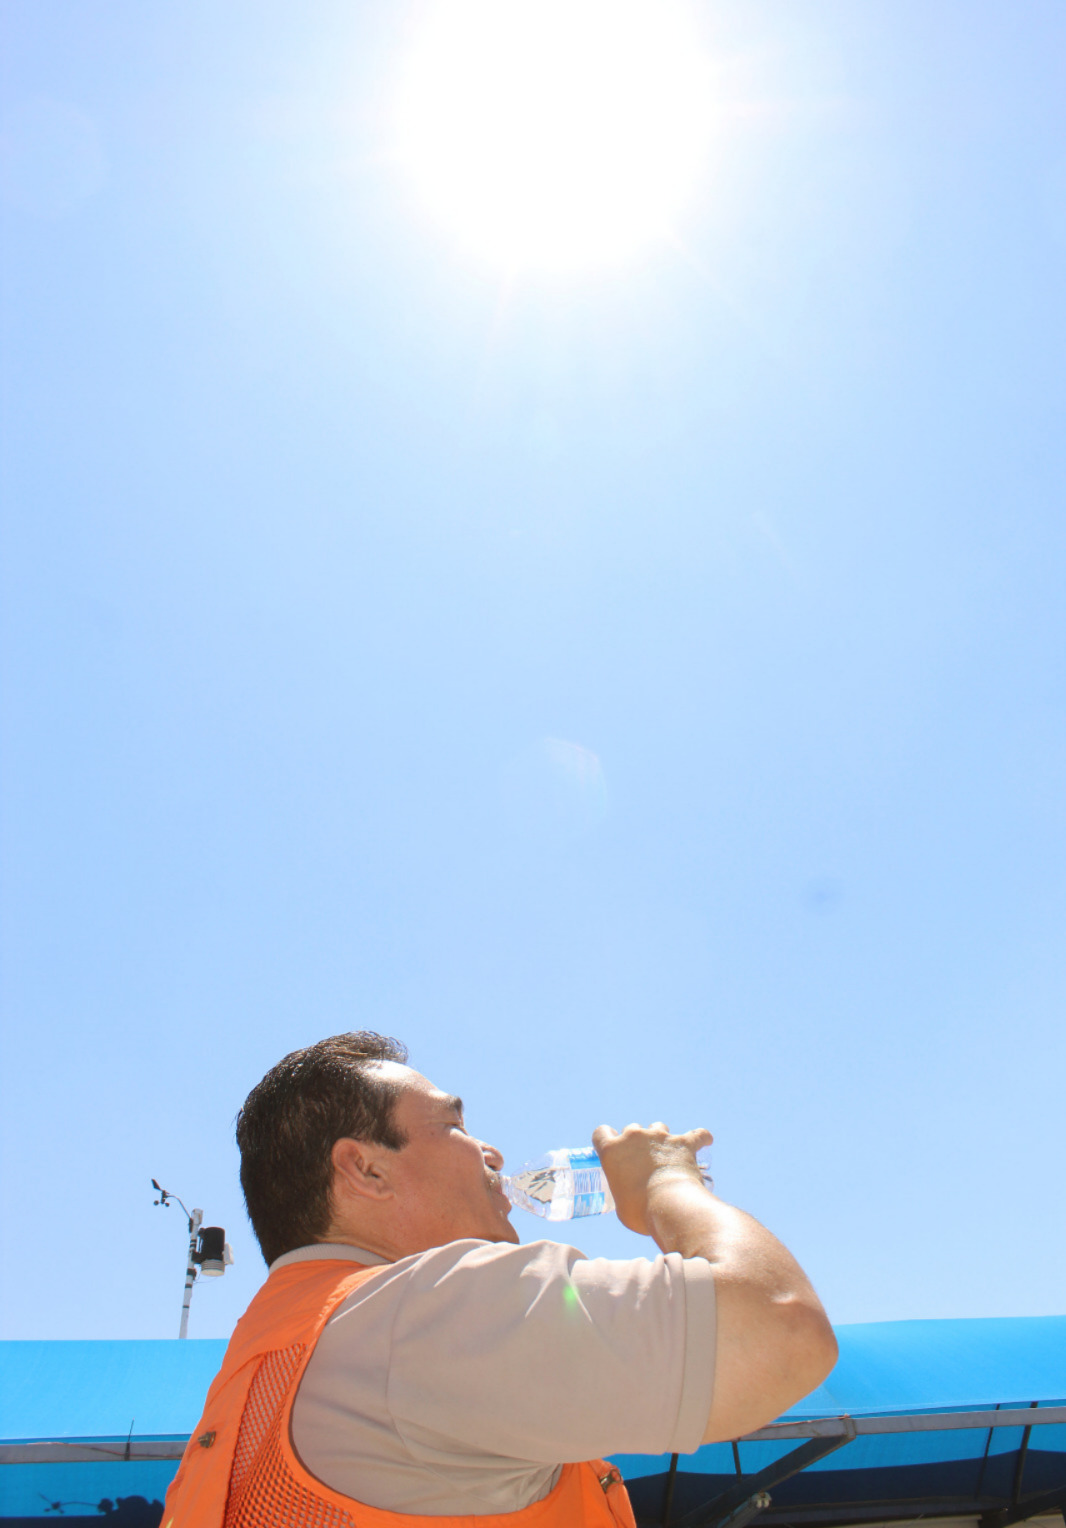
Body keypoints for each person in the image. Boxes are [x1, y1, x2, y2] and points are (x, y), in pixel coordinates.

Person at [162, 1033, 837, 1528]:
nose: (492, 1152)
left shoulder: (264, 1369)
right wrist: (668, 1181)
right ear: (365, 1169)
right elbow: (780, 1329)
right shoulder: (418, 1317)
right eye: (454, 1125)